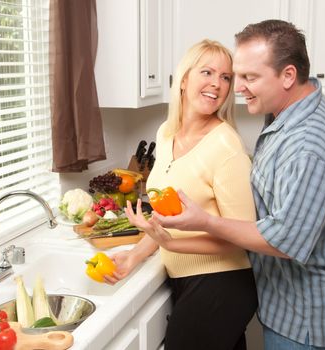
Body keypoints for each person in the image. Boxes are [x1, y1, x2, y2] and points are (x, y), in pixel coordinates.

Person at [133, 20, 325, 350]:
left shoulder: (310, 145)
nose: (234, 87)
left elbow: (285, 241)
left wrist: (203, 223)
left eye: (247, 77)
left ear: (287, 76)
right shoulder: (285, 113)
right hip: (283, 302)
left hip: (309, 317)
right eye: (235, 75)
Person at [105, 39, 258, 350]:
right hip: (187, 281)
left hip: (221, 284)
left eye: (226, 77)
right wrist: (135, 255)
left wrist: (170, 243)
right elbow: (166, 219)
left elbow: (243, 234)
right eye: (207, 72)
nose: (217, 83)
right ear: (184, 79)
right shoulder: (166, 134)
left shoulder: (226, 147)